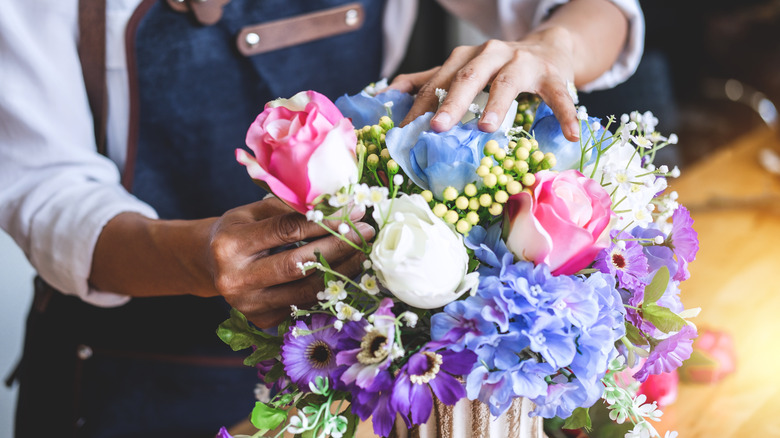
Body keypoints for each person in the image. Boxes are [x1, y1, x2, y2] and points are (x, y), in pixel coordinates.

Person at [0, 0, 643, 436]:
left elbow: (605, 12)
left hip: (352, 379)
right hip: (125, 377)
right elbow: (42, 187)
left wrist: (551, 45)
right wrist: (197, 257)